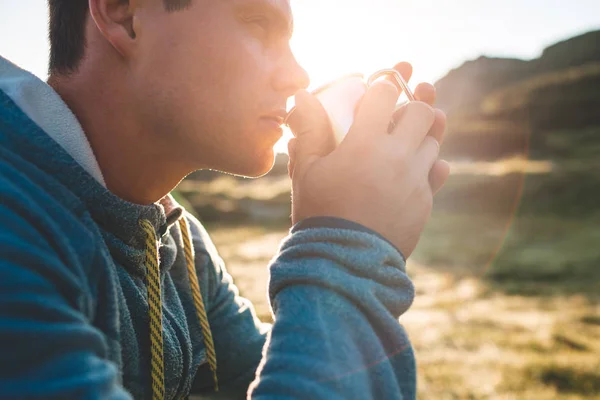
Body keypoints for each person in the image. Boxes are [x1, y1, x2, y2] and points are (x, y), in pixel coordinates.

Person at [0, 0, 450, 399]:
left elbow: (265, 369)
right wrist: (346, 249)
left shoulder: (174, 240)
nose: (298, 74)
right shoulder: (13, 223)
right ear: (125, 13)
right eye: (257, 22)